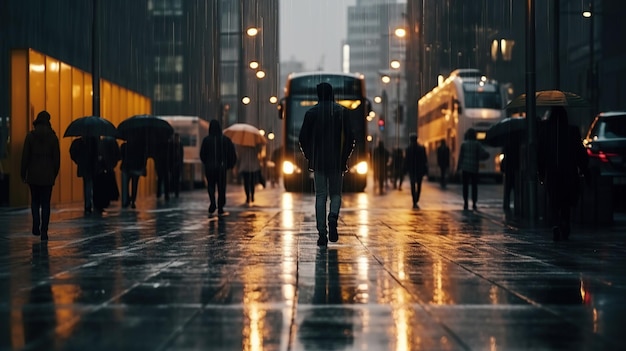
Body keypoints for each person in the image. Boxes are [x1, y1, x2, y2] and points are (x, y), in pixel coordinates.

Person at [299, 82, 355, 247]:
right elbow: (351, 138)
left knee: (320, 195)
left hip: (319, 161)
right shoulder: (341, 112)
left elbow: (302, 139)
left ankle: (322, 234)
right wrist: (343, 157)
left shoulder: (311, 113)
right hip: (336, 161)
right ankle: (333, 216)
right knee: (336, 193)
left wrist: (311, 156)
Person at [538, 106, 589, 241]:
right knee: (566, 201)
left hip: (553, 172)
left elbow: (541, 155)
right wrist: (585, 170)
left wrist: (541, 173)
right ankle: (565, 222)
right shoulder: (573, 131)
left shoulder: (546, 132)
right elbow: (580, 153)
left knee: (554, 200)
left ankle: (556, 224)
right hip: (569, 172)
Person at [20, 111, 60, 241]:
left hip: (33, 175)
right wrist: (53, 174)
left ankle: (36, 223)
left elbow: (25, 157)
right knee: (46, 204)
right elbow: (57, 160)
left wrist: (23, 172)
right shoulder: (53, 138)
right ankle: (44, 231)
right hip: (47, 176)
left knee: (35, 202)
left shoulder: (30, 137)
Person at [200, 119, 237, 217]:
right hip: (221, 167)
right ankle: (220, 207)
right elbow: (232, 154)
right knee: (221, 187)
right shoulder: (225, 140)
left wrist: (207, 162)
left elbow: (202, 155)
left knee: (211, 186)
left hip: (210, 167)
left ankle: (212, 202)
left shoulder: (206, 140)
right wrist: (229, 165)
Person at [457, 128, 489, 211]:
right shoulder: (477, 144)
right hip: (474, 168)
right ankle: (474, 203)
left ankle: (466, 202)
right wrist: (481, 157)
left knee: (465, 186)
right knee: (474, 186)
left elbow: (461, 157)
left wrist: (458, 167)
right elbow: (485, 154)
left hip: (465, 168)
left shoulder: (464, 144)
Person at [70, 136, 98, 214]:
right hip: (92, 166)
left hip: (84, 166)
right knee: (91, 185)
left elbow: (72, 152)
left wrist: (78, 161)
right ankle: (90, 204)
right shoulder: (94, 141)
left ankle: (88, 204)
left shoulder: (78, 142)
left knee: (87, 185)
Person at [93, 136, 120, 211]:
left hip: (102, 166)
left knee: (101, 185)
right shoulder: (113, 141)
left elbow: (99, 153)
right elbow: (118, 154)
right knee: (109, 183)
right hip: (110, 166)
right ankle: (107, 200)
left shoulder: (101, 142)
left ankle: (99, 203)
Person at [120, 139, 147, 209]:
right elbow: (144, 156)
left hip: (128, 168)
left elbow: (121, 156)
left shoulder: (124, 146)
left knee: (126, 185)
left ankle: (127, 200)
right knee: (134, 185)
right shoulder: (140, 146)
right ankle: (132, 201)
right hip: (135, 167)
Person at [404, 133, 428, 209]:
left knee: (412, 185)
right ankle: (417, 198)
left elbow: (406, 160)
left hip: (412, 170)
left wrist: (405, 169)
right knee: (419, 185)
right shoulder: (421, 148)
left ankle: (414, 200)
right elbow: (425, 160)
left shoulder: (408, 149)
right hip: (419, 169)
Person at [502, 139, 520, 212]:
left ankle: (506, 204)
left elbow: (503, 152)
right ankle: (517, 204)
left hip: (508, 168)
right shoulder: (517, 145)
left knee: (508, 189)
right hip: (515, 167)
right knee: (515, 188)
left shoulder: (507, 144)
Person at [169, 133, 184, 198]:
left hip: (178, 164)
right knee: (173, 178)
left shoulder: (180, 145)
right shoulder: (172, 146)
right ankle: (174, 191)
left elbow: (181, 155)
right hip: (173, 164)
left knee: (177, 178)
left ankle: (176, 192)